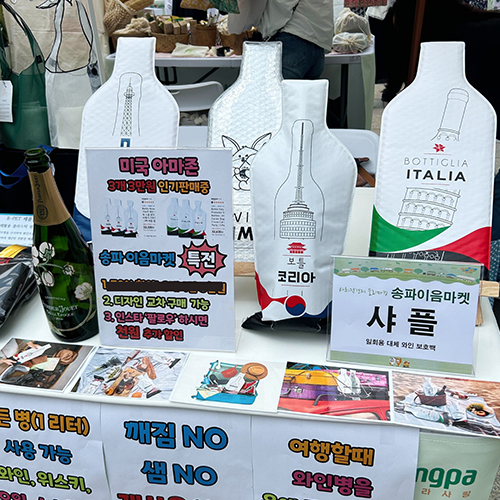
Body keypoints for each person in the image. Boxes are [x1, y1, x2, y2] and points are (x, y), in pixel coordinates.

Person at [258, 0, 334, 79]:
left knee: (278, 86)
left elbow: (283, 4)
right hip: (318, 45)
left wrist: (262, 31)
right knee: (308, 87)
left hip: (292, 37)